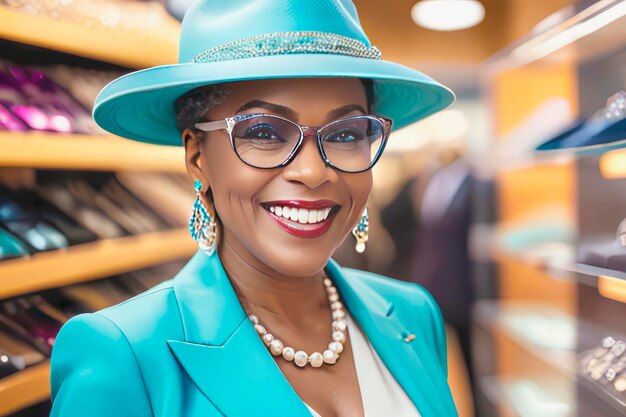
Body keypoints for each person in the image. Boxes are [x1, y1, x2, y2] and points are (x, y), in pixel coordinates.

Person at [48, 0, 457, 416]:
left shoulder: (412, 315)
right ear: (197, 157)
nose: (314, 172)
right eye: (264, 132)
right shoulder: (126, 354)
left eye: (347, 134)